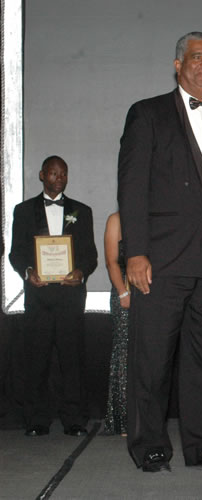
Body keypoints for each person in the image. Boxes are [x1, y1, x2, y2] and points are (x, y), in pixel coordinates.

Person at [117, 32, 202, 473]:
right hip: (159, 263)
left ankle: (201, 445)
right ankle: (149, 444)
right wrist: (135, 252)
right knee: (152, 360)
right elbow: (132, 188)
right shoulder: (147, 113)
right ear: (178, 65)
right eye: (196, 57)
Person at [9, 155, 97, 437]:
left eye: (64, 174)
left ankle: (75, 420)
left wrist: (80, 272)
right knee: (37, 361)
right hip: (39, 297)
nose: (59, 179)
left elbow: (90, 255)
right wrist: (28, 271)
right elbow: (16, 252)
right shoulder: (23, 211)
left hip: (70, 298)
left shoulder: (81, 211)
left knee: (72, 361)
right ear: (41, 175)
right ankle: (37, 420)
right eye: (54, 174)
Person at [102, 212, 129, 436]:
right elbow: (111, 261)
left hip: (154, 292)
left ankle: (147, 418)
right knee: (125, 352)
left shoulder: (155, 214)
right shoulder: (116, 220)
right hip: (124, 292)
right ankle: (123, 418)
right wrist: (122, 292)